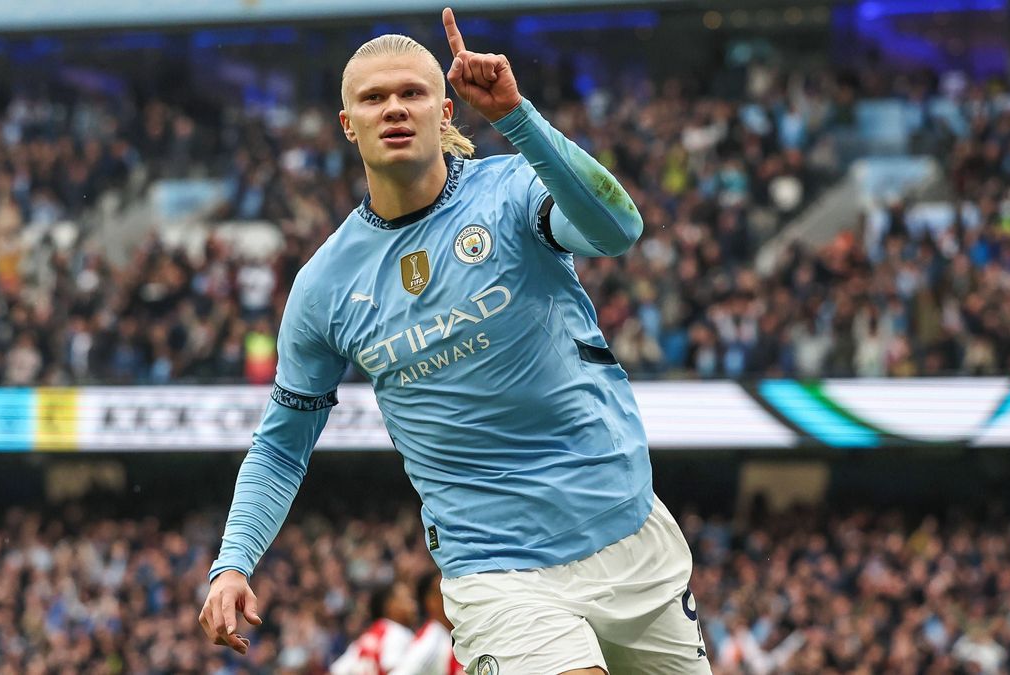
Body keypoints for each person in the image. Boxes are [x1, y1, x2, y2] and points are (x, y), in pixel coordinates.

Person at [199, 7, 710, 673]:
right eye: (374, 98)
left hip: (630, 532)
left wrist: (517, 115)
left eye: (411, 92)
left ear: (445, 110)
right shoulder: (324, 284)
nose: (394, 109)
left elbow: (619, 230)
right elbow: (281, 443)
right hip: (497, 572)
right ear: (347, 125)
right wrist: (233, 561)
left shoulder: (513, 192)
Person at [329, 581, 419, 675]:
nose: (414, 605)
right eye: (408, 599)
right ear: (389, 605)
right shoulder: (399, 634)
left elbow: (336, 671)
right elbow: (392, 668)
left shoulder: (364, 638)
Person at [392, 571, 464, 675]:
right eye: (446, 591)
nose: (454, 594)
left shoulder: (445, 635)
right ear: (431, 601)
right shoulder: (432, 641)